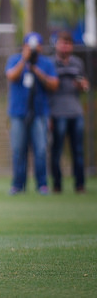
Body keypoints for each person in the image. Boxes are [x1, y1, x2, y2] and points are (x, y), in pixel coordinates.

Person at [5, 32, 59, 195]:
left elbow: (54, 84)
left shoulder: (46, 63)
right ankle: (18, 185)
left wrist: (36, 70)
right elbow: (11, 76)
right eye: (29, 46)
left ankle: (42, 184)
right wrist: (24, 60)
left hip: (40, 113)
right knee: (18, 150)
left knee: (41, 150)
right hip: (18, 113)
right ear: (24, 46)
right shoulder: (15, 59)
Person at [49, 31, 90, 193]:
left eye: (68, 44)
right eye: (62, 43)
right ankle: (57, 185)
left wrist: (83, 86)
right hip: (57, 112)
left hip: (76, 112)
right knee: (56, 151)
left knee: (78, 151)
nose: (65, 47)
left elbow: (85, 85)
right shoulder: (50, 63)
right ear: (56, 44)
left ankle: (80, 185)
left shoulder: (78, 63)